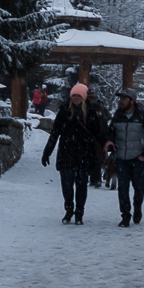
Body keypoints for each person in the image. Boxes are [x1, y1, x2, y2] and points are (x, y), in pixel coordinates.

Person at [41, 82, 105, 224]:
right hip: (66, 153)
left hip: (84, 154)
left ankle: (79, 213)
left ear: (83, 97)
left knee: (81, 185)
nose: (75, 98)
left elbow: (97, 133)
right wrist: (47, 152)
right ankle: (69, 209)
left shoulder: (90, 112)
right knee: (67, 185)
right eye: (74, 95)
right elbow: (55, 133)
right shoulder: (64, 111)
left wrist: (105, 147)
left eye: (78, 96)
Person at [107, 87, 144, 225]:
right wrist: (110, 141)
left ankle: (137, 207)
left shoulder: (142, 116)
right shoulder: (117, 116)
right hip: (121, 158)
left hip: (137, 158)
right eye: (120, 98)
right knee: (122, 188)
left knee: (139, 187)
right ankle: (125, 215)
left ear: (132, 101)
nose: (121, 101)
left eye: (124, 98)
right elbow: (111, 132)